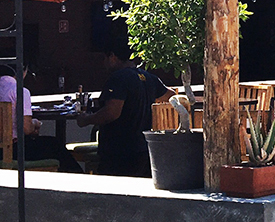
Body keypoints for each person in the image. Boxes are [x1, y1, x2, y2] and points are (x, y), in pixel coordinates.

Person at [77, 38, 173, 177]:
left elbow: (112, 112)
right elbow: (171, 96)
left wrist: (86, 119)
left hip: (119, 150)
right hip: (144, 147)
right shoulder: (148, 77)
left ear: (112, 56)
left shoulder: (118, 78)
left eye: (105, 58)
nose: (104, 63)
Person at [0, 64, 83, 173]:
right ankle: (78, 178)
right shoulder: (19, 91)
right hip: (15, 150)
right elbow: (26, 128)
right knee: (55, 144)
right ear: (23, 72)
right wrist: (34, 123)